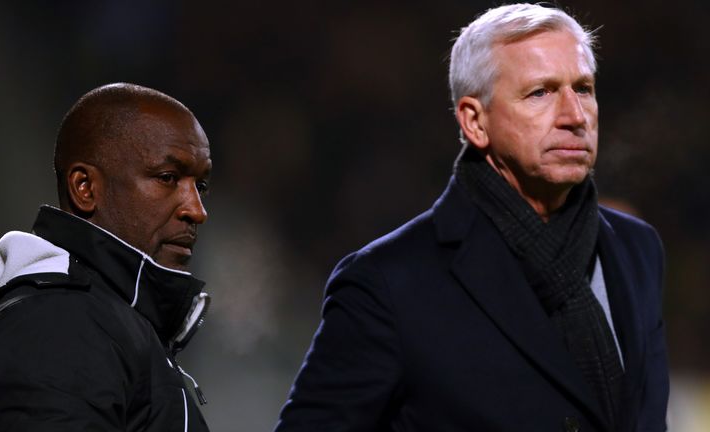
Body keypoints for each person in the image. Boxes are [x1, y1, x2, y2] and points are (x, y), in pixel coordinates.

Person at [275, 4, 668, 432]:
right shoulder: (388, 283)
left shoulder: (637, 249)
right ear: (475, 121)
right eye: (541, 92)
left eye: (584, 88)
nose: (574, 116)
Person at [0, 83, 213, 431]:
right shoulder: (58, 323)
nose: (197, 210)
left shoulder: (97, 318)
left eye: (201, 186)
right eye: (168, 178)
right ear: (85, 188)